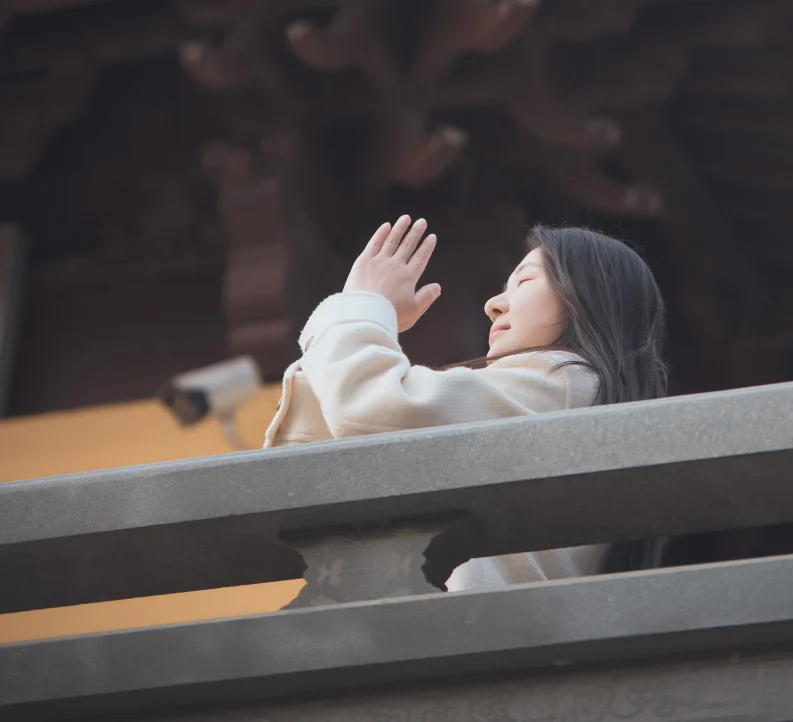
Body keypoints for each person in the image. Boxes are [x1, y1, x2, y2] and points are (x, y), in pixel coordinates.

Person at [264, 214, 667, 590]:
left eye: (525, 282)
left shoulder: (565, 379)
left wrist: (364, 307)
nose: (494, 304)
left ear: (589, 296)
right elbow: (330, 452)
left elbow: (373, 406)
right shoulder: (558, 394)